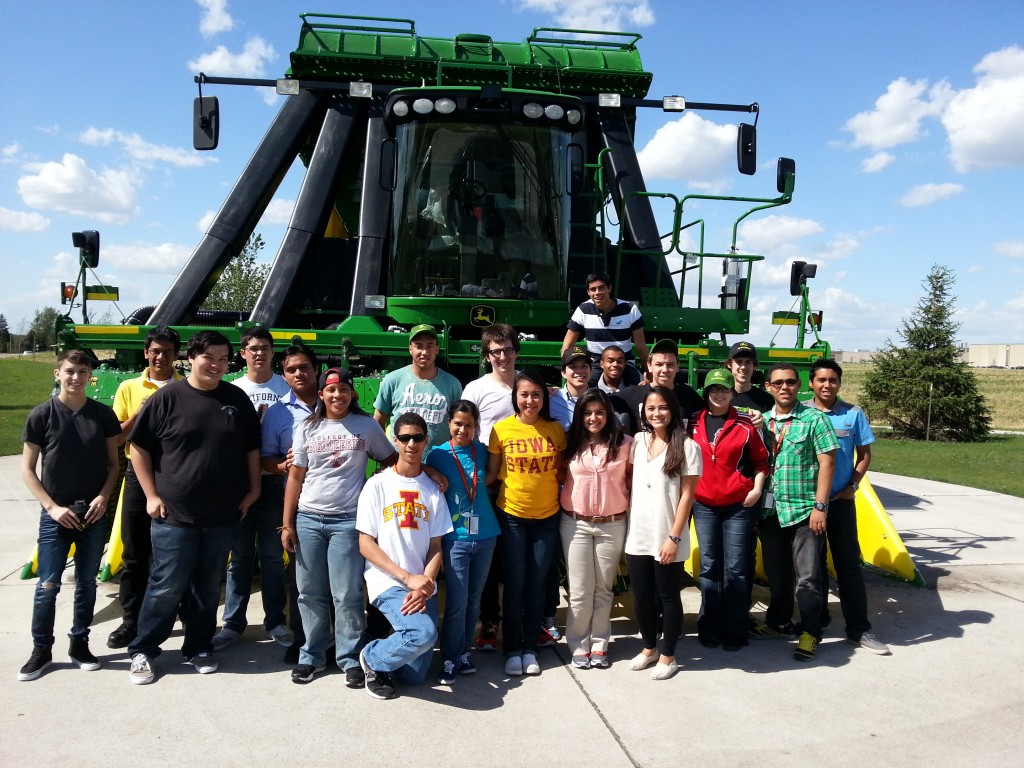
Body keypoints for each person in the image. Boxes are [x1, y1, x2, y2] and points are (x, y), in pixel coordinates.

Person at [126, 331, 262, 684]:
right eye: (209, 358)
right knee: (166, 585)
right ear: (190, 358)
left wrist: (254, 490)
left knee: (207, 586)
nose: (216, 365)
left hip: (223, 515)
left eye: (223, 359)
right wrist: (152, 496)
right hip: (175, 515)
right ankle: (144, 649)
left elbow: (251, 449)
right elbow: (138, 448)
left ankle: (199, 646)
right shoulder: (167, 399)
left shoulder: (236, 399)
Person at [281, 368, 396, 686]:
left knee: (346, 594)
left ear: (352, 395)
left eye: (344, 390)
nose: (337, 395)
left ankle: (349, 658)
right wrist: (287, 523)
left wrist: (423, 472)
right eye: (331, 390)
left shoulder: (366, 426)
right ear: (321, 395)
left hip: (348, 521)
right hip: (308, 520)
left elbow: (391, 461)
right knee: (310, 592)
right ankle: (312, 656)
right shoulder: (307, 427)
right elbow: (295, 476)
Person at [18, 349, 120, 681]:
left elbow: (114, 464)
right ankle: (41, 650)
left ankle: (80, 644)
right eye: (70, 371)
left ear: (92, 376)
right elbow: (28, 470)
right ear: (57, 374)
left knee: (87, 583)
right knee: (47, 584)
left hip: (92, 512)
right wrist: (52, 507)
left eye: (83, 372)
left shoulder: (102, 415)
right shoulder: (42, 415)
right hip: (56, 514)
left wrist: (104, 497)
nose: (77, 377)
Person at [357, 413, 454, 699]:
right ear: (395, 441)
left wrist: (424, 582)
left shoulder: (433, 489)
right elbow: (365, 544)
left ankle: (392, 641)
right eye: (405, 438)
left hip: (421, 584)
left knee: (413, 677)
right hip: (388, 580)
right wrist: (407, 578)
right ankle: (372, 657)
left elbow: (436, 546)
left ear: (426, 441)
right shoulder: (377, 485)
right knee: (422, 635)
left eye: (418, 438)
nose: (411, 444)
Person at [214, 327, 293, 652]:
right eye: (252, 348)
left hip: (275, 482)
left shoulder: (286, 388)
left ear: (272, 352)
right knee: (240, 558)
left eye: (264, 347)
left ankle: (276, 621)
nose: (259, 353)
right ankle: (233, 623)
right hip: (239, 483)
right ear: (243, 353)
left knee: (274, 557)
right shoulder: (231, 389)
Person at [242, 343, 321, 663]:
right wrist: (286, 465)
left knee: (337, 575)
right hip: (291, 496)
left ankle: (337, 637)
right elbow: (266, 459)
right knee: (298, 572)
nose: (299, 374)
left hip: (336, 499)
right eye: (291, 370)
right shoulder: (277, 413)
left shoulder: (337, 403)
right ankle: (302, 637)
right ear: (284, 376)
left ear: (316, 369)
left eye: (304, 367)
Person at [486, 370, 566, 677]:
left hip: (547, 517)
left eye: (536, 394)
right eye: (524, 394)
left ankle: (530, 648)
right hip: (512, 516)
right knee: (516, 584)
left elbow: (560, 474)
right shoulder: (501, 430)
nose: (530, 400)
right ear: (515, 398)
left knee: (537, 584)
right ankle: (512, 649)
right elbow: (492, 476)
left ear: (544, 398)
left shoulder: (556, 431)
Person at [107, 326, 182, 650]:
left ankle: (178, 614)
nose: (161, 357)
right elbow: (116, 437)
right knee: (135, 553)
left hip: (176, 476)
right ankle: (131, 621)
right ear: (146, 353)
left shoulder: (186, 387)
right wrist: (143, 411)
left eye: (167, 351)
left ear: (177, 355)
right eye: (155, 351)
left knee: (176, 554)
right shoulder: (129, 388)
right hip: (139, 477)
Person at [757, 363, 838, 663]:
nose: (784, 387)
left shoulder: (815, 419)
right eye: (777, 383)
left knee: (807, 578)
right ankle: (779, 623)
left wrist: (820, 506)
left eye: (790, 382)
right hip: (771, 512)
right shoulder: (762, 422)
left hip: (804, 510)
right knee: (777, 575)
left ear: (799, 385)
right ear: (768, 387)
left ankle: (811, 631)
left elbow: (827, 463)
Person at [809, 358, 890, 655]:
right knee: (812, 568)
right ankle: (814, 625)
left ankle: (859, 629)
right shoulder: (802, 412)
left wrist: (852, 486)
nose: (827, 385)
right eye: (821, 380)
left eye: (832, 380)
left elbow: (864, 455)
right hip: (809, 504)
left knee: (848, 567)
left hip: (840, 503)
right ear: (811, 383)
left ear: (839, 383)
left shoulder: (853, 415)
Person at [689, 368, 770, 651]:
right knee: (710, 567)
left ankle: (735, 628)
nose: (718, 394)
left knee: (736, 568)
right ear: (706, 393)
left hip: (739, 505)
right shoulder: (693, 424)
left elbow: (762, 462)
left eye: (723, 389)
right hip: (705, 505)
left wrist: (757, 489)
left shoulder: (746, 424)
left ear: (732, 393)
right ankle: (709, 626)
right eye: (713, 389)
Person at [625, 386, 701, 680]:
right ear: (644, 411)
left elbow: (687, 496)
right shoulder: (638, 441)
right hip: (638, 533)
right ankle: (648, 648)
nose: (657, 413)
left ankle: (668, 656)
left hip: (667, 534)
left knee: (668, 597)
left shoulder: (687, 447)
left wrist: (674, 537)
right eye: (651, 408)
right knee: (642, 596)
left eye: (663, 408)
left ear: (673, 411)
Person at [425, 401, 500, 685]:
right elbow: (420, 473)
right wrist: (433, 472)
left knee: (474, 602)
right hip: (455, 537)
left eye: (469, 424)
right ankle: (448, 657)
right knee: (456, 602)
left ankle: (464, 653)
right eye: (458, 423)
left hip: (486, 535)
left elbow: (490, 477)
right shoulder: (438, 455)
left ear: (475, 426)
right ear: (449, 424)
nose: (463, 429)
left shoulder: (482, 451)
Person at [559, 389, 632, 669]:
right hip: (575, 523)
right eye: (588, 412)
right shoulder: (569, 443)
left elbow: (631, 479)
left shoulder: (625, 443)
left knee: (603, 589)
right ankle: (578, 644)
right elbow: (558, 476)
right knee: (579, 589)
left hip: (612, 524)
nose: (594, 418)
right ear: (580, 415)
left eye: (600, 412)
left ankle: (600, 644)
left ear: (608, 415)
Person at [462, 323, 519, 652]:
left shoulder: (527, 385)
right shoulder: (476, 389)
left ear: (516, 351)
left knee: (514, 559)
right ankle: (489, 621)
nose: (502, 356)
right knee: (484, 556)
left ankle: (518, 619)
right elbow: (465, 431)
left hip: (521, 482)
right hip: (486, 484)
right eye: (495, 351)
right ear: (486, 356)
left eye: (508, 350)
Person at [373, 323, 463, 447]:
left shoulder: (452, 385)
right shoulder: (392, 380)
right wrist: (385, 454)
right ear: (410, 349)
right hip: (401, 461)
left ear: (437, 349)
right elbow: (378, 421)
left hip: (439, 461)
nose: (424, 352)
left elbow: (459, 425)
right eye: (419, 346)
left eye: (429, 346)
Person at [562, 271, 647, 387]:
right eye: (593, 289)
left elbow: (641, 347)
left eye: (601, 288)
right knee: (584, 390)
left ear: (609, 288)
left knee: (642, 389)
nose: (597, 293)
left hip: (624, 362)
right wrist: (566, 374)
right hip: (596, 363)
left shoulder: (630, 309)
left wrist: (649, 372)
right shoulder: (583, 310)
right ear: (588, 292)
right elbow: (567, 346)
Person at [614, 339, 703, 435]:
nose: (665, 370)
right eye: (659, 364)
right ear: (649, 366)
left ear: (677, 366)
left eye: (670, 364)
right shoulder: (633, 394)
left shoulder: (688, 395)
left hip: (679, 448)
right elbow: (602, 402)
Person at [550, 344, 592, 431]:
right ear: (563, 372)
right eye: (573, 366)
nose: (580, 371)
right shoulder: (551, 400)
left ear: (591, 371)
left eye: (584, 366)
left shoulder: (600, 399)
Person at [726, 341, 775, 413]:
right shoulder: (720, 397)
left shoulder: (767, 400)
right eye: (739, 362)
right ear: (729, 364)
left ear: (754, 366)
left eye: (748, 362)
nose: (743, 367)